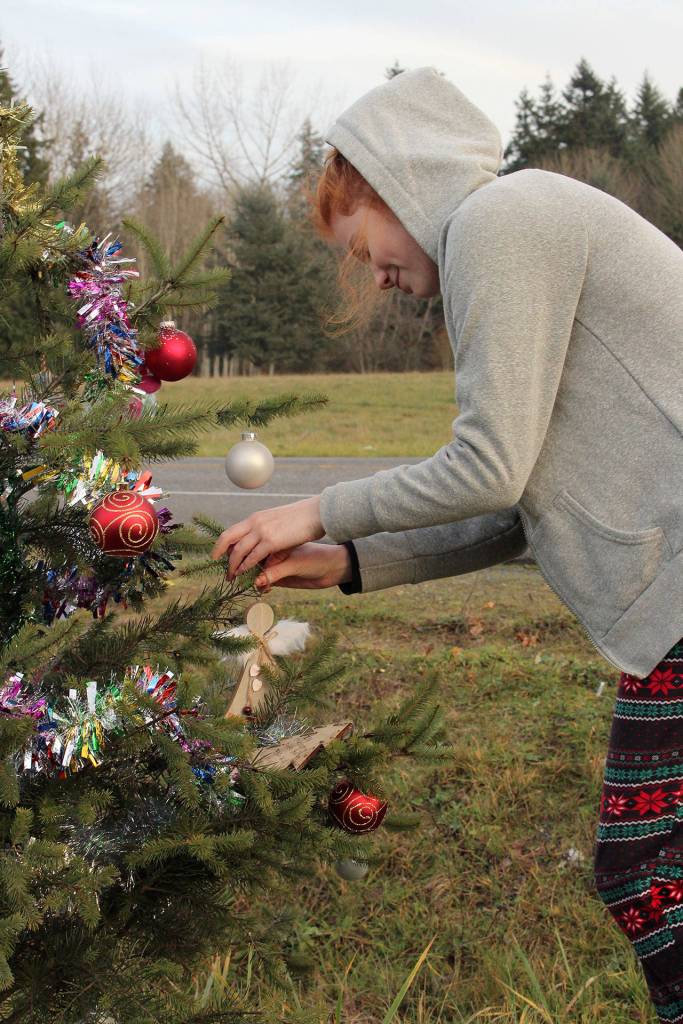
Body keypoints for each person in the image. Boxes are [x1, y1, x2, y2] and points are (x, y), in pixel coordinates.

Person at [211, 67, 683, 1018]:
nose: (377, 276)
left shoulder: (502, 222)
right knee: (647, 869)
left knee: (646, 870)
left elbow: (487, 467)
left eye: (365, 245)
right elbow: (520, 509)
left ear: (404, 182)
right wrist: (352, 564)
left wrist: (318, 511)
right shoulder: (507, 236)